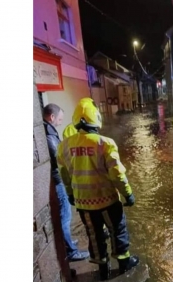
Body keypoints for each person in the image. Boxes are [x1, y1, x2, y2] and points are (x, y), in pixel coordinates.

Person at [57, 101, 139, 280]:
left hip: (84, 203)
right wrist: (128, 194)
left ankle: (103, 271)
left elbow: (64, 174)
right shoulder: (105, 143)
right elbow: (117, 174)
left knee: (94, 235)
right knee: (117, 231)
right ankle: (125, 264)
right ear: (96, 119)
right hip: (108, 200)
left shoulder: (64, 146)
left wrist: (71, 194)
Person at [42, 104, 90, 262]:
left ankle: (67, 242)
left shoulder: (47, 131)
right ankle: (70, 251)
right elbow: (58, 156)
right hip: (58, 180)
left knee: (64, 215)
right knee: (65, 216)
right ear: (52, 117)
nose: (61, 122)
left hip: (57, 179)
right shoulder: (48, 134)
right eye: (59, 119)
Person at [62, 98, 111, 241]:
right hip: (100, 190)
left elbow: (65, 167)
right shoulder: (103, 142)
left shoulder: (67, 133)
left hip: (81, 190)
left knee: (92, 228)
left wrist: (70, 192)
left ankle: (100, 254)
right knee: (113, 225)